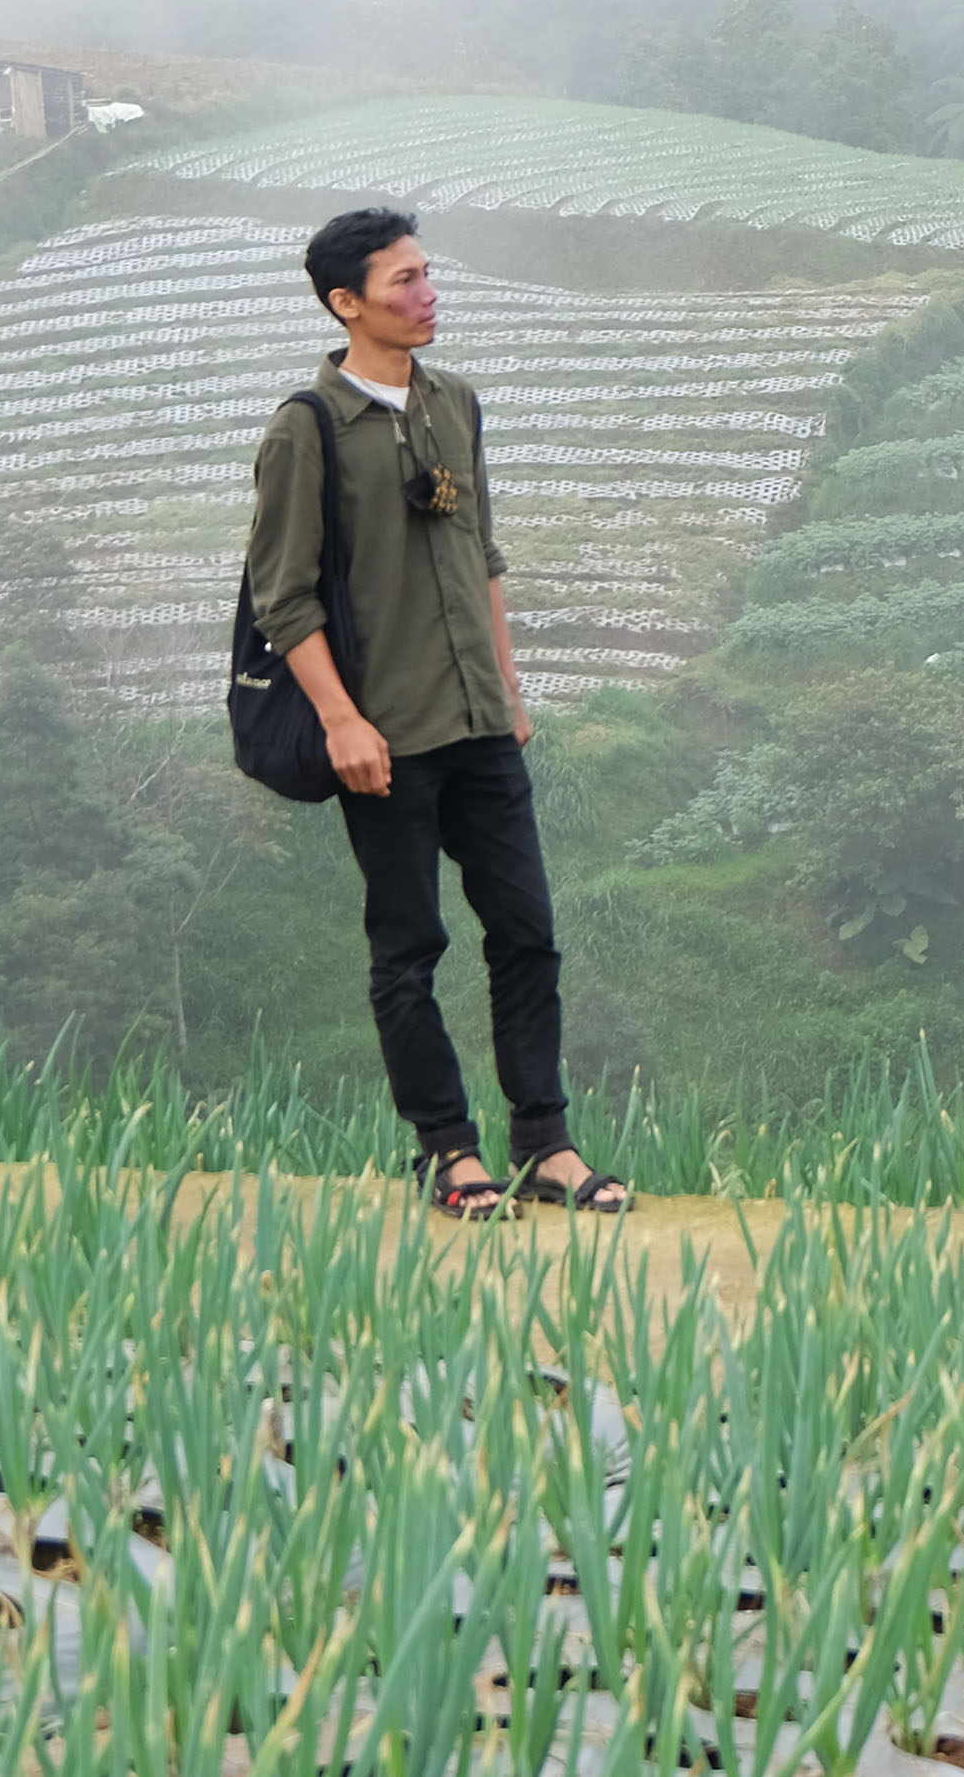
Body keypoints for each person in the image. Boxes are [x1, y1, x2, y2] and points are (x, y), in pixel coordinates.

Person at [245, 208, 630, 1221]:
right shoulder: (307, 429)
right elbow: (283, 598)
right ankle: (446, 1152)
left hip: (478, 724)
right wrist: (342, 723)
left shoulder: (453, 402)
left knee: (528, 934)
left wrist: (506, 686)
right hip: (387, 738)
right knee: (409, 949)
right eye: (402, 283)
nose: (426, 295)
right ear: (345, 303)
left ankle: (544, 1142)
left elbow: (481, 554)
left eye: (427, 276)